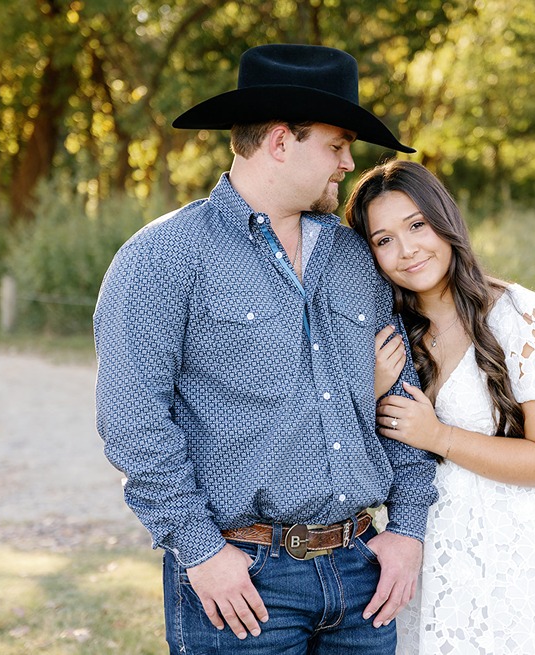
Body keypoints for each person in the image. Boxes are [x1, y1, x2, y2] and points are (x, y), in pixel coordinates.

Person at [93, 45, 438, 655]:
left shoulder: (356, 258)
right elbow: (133, 420)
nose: (347, 164)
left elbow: (402, 400)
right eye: (336, 146)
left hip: (362, 576)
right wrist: (200, 550)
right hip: (243, 582)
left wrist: (407, 529)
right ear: (281, 142)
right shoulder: (162, 259)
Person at [346, 160, 535, 654]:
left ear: (444, 220)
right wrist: (371, 391)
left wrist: (440, 437)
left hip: (522, 552)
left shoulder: (527, 317)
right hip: (429, 554)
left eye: (416, 225)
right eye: (383, 240)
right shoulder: (386, 337)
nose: (407, 251)